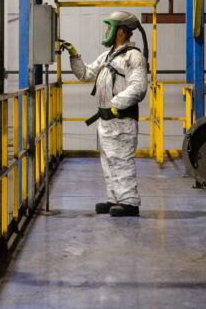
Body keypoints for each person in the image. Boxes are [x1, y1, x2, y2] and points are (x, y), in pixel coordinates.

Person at [60, 11, 149, 217]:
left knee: (121, 161)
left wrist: (116, 104)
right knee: (109, 162)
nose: (107, 31)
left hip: (121, 120)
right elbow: (86, 74)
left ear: (121, 31)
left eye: (110, 27)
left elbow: (139, 87)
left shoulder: (133, 56)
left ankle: (129, 202)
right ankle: (114, 199)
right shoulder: (109, 55)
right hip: (106, 122)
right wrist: (74, 55)